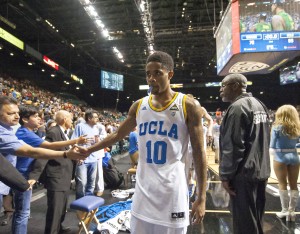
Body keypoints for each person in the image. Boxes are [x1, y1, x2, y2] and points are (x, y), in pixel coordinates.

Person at [86, 51, 207, 234]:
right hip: (143, 192)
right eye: (148, 74)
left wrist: (201, 197)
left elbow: (199, 153)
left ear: (170, 74)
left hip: (172, 192)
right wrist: (89, 149)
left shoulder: (187, 105)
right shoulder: (139, 106)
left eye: (158, 73)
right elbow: (118, 134)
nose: (152, 78)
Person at [12, 106, 87, 234]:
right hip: (56, 176)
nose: (72, 121)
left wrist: (75, 158)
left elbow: (64, 152)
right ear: (64, 119)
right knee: (53, 209)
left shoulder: (64, 132)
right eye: (70, 118)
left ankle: (59, 227)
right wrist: (34, 176)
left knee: (62, 207)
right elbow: (44, 154)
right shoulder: (53, 132)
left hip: (64, 175)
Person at [0, 96, 87, 192]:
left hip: (15, 177)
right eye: (11, 113)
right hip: (21, 174)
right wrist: (66, 153)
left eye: (17, 112)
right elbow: (31, 151)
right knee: (23, 207)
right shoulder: (21, 132)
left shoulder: (12, 128)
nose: (17, 116)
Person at [219, 73, 270, 234]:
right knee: (256, 220)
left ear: (235, 86)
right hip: (261, 171)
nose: (221, 90)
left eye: (223, 85)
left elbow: (233, 147)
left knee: (244, 224)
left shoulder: (237, 108)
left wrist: (225, 175)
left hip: (243, 174)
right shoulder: (259, 104)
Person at [270, 105, 300, 222]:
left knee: (282, 183)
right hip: (294, 156)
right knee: (294, 184)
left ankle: (284, 211)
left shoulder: (277, 127)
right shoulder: (296, 128)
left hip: (280, 156)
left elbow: (272, 145)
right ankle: (292, 212)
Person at [72, 110, 101, 199]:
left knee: (91, 183)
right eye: (95, 117)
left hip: (93, 159)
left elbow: (97, 143)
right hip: (82, 159)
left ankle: (88, 201)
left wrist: (97, 141)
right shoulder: (80, 126)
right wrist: (78, 156)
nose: (97, 119)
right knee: (82, 183)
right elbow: (74, 142)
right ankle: (80, 203)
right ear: (89, 118)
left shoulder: (96, 128)